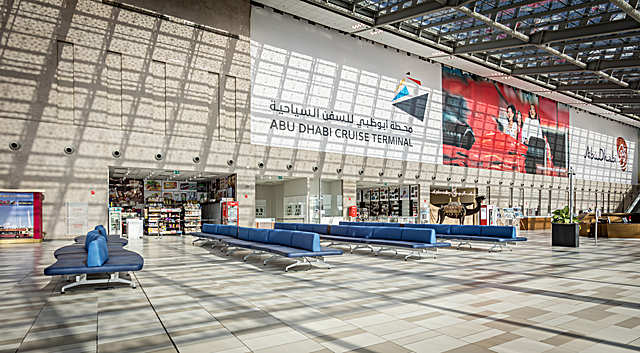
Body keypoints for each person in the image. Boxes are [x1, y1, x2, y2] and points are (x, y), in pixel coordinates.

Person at [521, 104, 546, 174]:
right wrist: (525, 139)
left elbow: (540, 135)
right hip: (528, 145)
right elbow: (524, 132)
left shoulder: (537, 122)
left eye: (533, 109)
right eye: (531, 109)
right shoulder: (527, 120)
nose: (532, 111)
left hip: (535, 145)